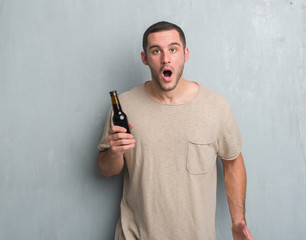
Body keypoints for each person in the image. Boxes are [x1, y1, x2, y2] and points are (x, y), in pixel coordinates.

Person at [97, 21, 253, 240]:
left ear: (185, 53)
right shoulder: (124, 106)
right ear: (144, 58)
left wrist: (238, 221)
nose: (165, 59)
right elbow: (107, 169)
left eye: (173, 49)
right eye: (155, 51)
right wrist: (114, 152)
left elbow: (233, 161)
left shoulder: (216, 106)